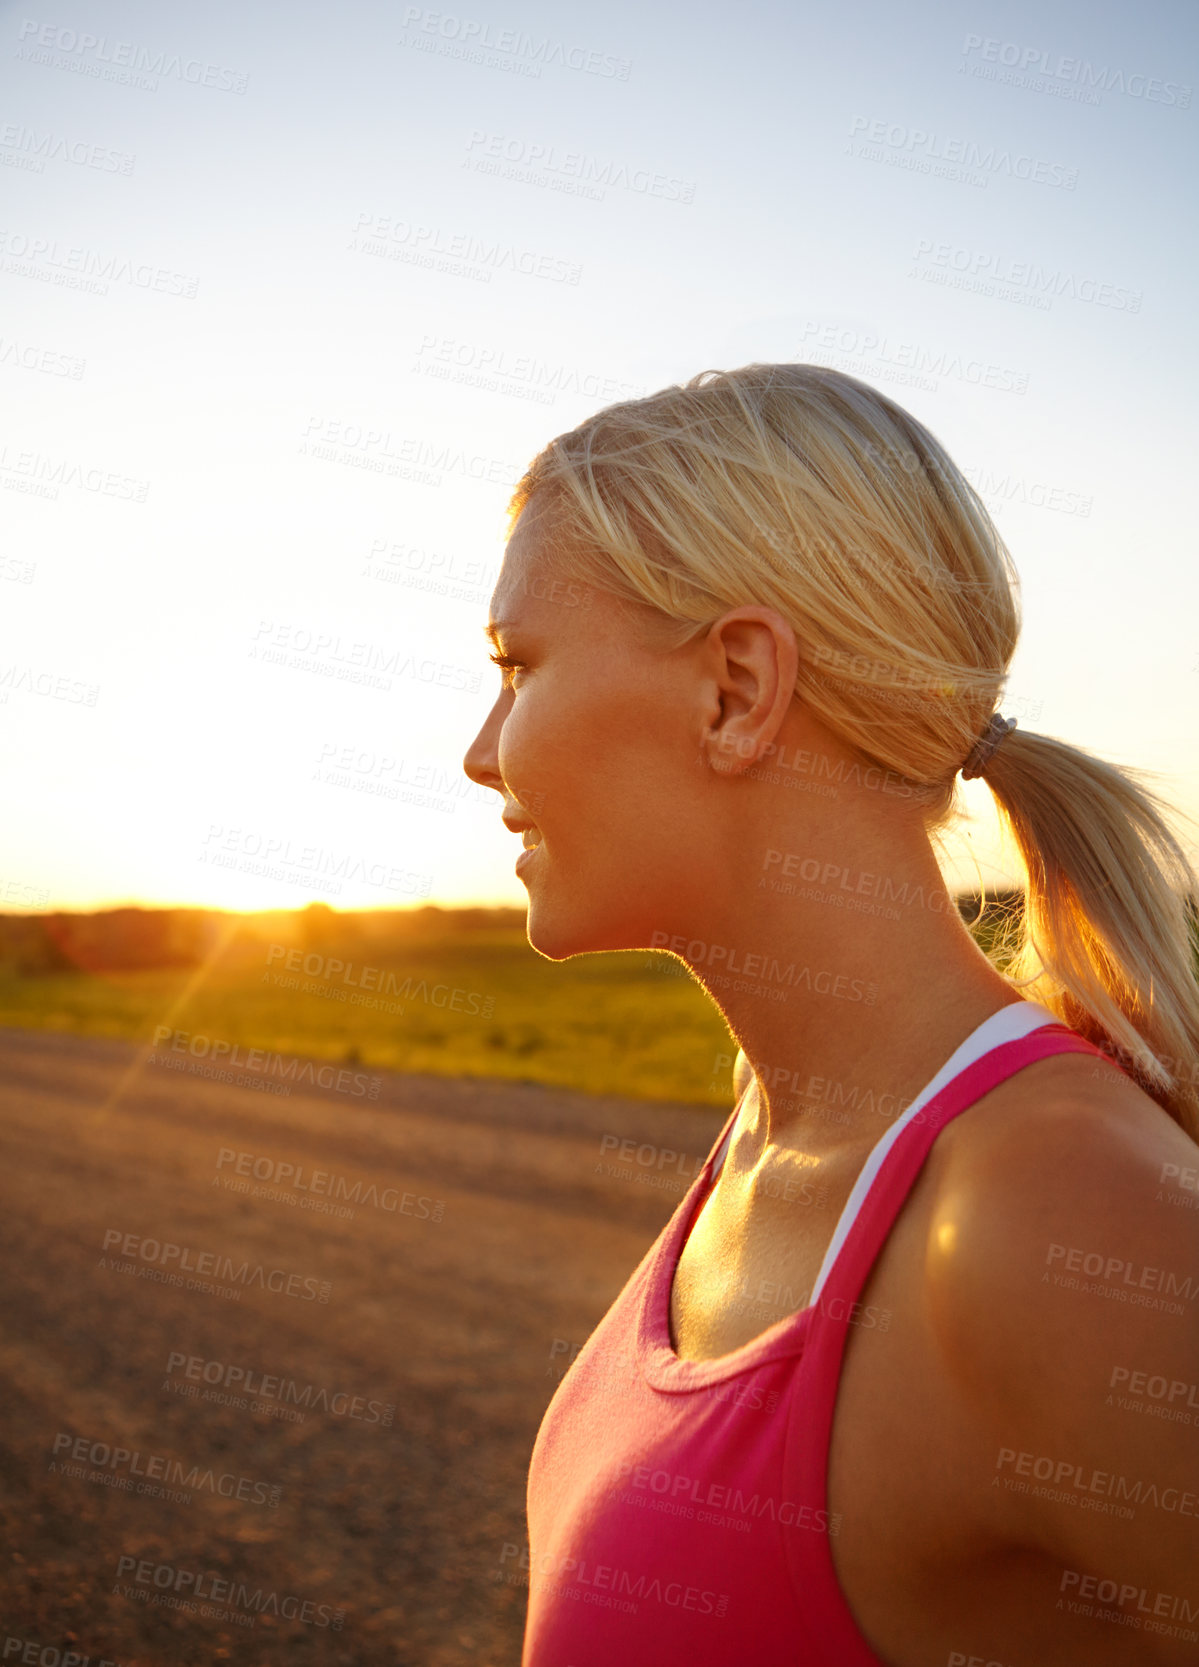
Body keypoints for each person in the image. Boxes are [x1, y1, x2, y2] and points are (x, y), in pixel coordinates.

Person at [462, 364, 1199, 1665]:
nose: (483, 748)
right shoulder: (779, 1130)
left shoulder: (1054, 1217)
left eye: (519, 666)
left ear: (737, 689)